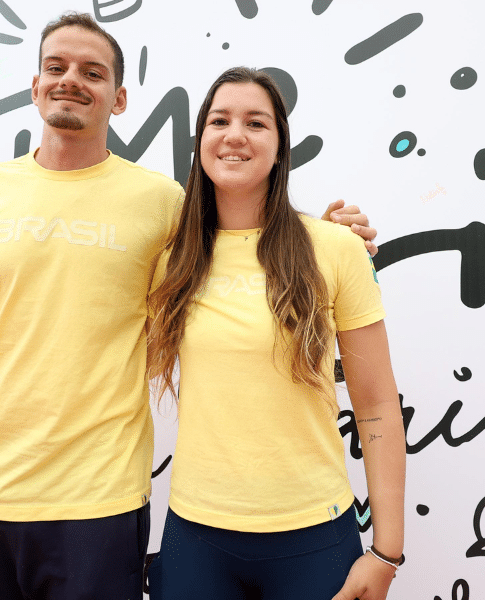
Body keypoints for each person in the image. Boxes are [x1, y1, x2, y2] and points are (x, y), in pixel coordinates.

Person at [0, 13, 379, 600]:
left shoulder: (162, 204)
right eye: (57, 67)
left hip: (100, 504)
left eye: (92, 72)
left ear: (118, 98)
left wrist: (322, 241)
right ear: (35, 85)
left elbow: (242, 246)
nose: (71, 80)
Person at [146, 67, 406, 600]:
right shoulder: (170, 259)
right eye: (220, 120)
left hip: (314, 537)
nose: (235, 134)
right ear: (201, 141)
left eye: (256, 122)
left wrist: (387, 552)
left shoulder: (334, 248)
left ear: (280, 146)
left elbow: (377, 404)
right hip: (196, 537)